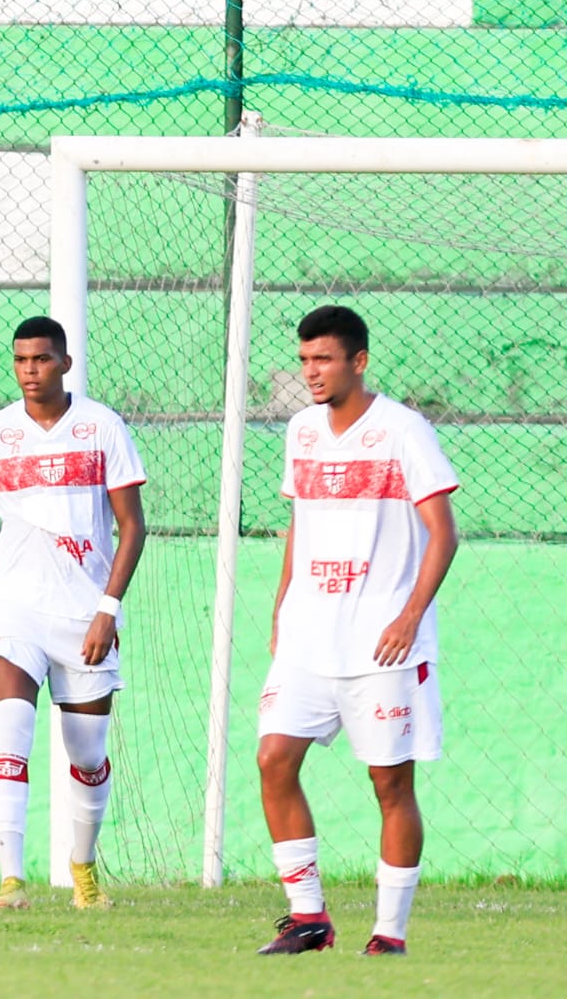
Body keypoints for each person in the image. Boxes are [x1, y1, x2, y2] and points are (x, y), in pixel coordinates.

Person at [0, 316, 146, 912]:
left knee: (86, 756)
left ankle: (84, 868)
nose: (30, 371)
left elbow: (132, 525)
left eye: (41, 359)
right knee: (9, 737)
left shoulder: (101, 428)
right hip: (14, 611)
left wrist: (107, 610)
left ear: (65, 362)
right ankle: (11, 881)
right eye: (21, 361)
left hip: (85, 615)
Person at [256, 306, 458, 956]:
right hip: (308, 637)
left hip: (381, 643)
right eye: (305, 359)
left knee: (390, 784)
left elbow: (443, 533)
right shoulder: (301, 432)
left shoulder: (403, 430)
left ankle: (389, 933)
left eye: (324, 360)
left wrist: (409, 615)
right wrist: (282, 605)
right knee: (273, 757)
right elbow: (302, 522)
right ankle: (308, 915)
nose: (311, 372)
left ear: (358, 361)